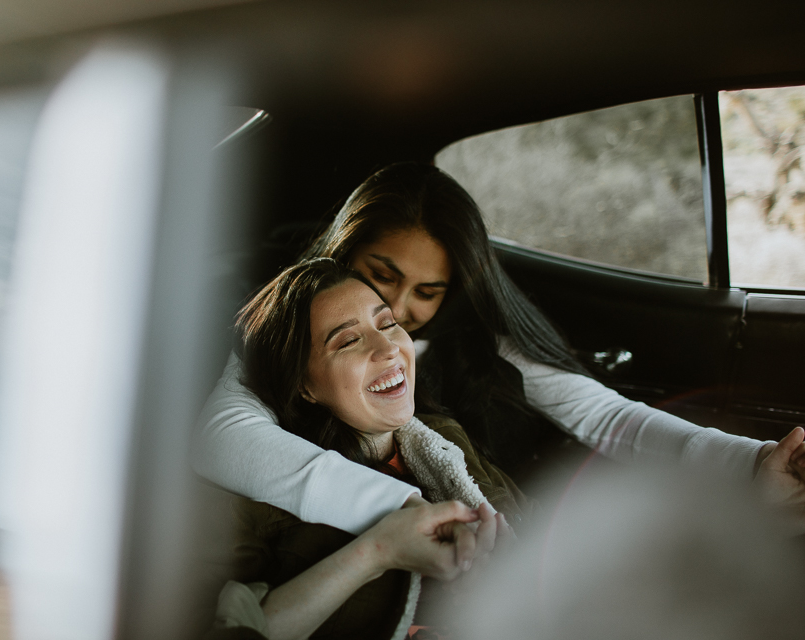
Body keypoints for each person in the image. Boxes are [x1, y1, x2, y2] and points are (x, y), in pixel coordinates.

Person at [195, 162, 805, 539]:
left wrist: (750, 463)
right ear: (342, 253)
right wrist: (421, 514)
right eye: (381, 276)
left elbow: (609, 416)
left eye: (427, 292)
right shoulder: (283, 332)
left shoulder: (480, 347)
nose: (400, 311)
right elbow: (223, 434)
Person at [209, 258, 519, 640]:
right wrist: (377, 552)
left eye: (388, 324)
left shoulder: (446, 438)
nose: (388, 348)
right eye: (349, 340)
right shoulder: (260, 502)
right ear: (304, 387)